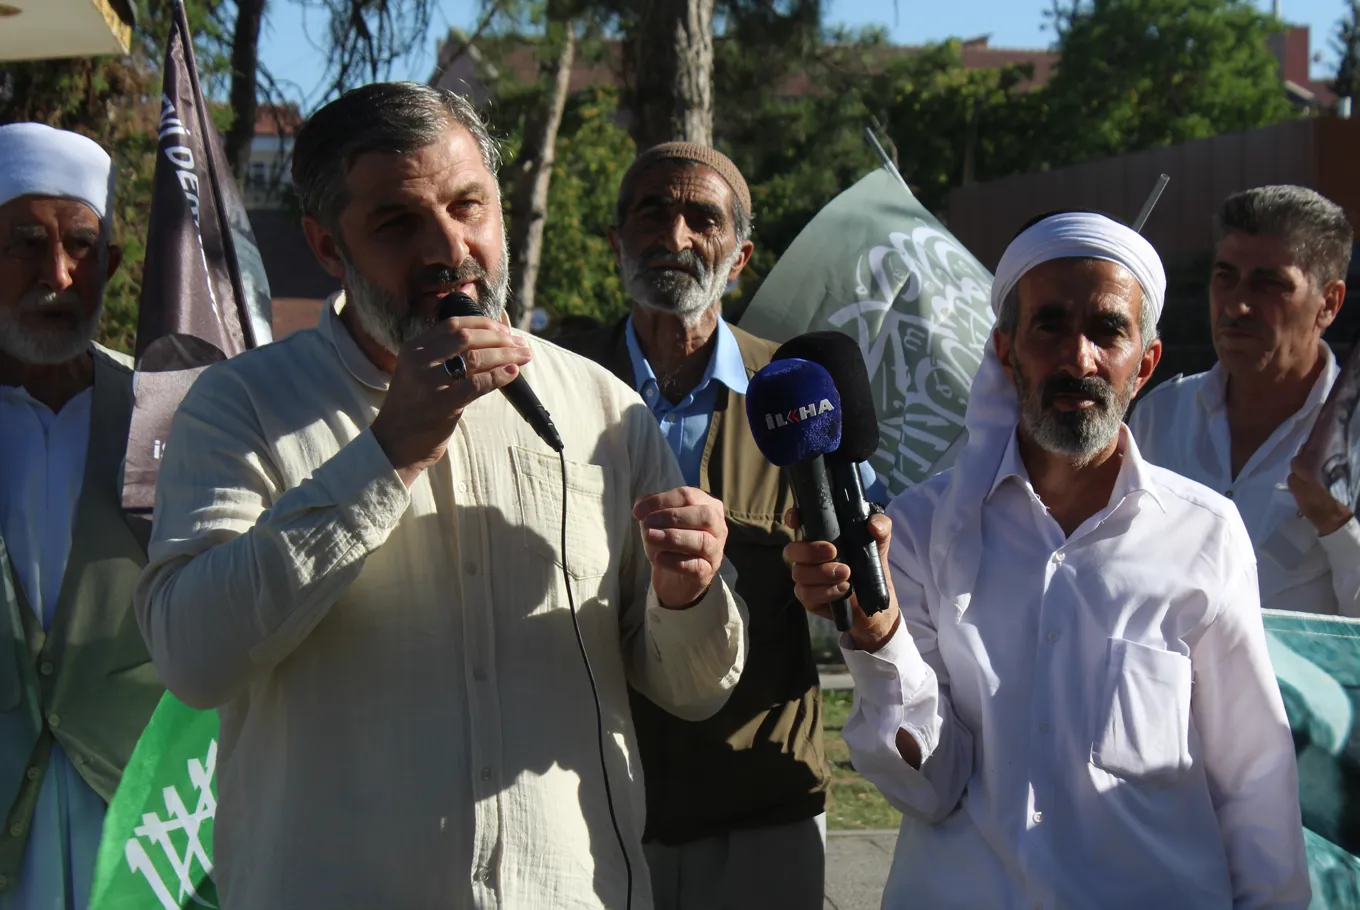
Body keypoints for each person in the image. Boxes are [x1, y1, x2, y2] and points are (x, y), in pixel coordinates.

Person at [133, 83, 748, 910]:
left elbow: (692, 685)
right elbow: (192, 657)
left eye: (469, 206)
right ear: (324, 244)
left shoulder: (601, 407)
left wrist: (690, 595)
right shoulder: (240, 405)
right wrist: (388, 454)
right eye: (397, 223)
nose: (449, 248)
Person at [786, 211, 1310, 908]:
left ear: (1145, 363)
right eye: (1051, 326)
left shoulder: (1203, 535)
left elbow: (1256, 784)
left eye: (1108, 331)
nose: (1079, 358)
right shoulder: (918, 532)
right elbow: (927, 785)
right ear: (1006, 351)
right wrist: (877, 636)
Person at [559, 143, 840, 910]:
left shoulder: (800, 397)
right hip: (583, 806)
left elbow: (857, 587)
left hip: (757, 813)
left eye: (702, 218)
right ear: (617, 241)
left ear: (740, 256)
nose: (675, 236)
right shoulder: (551, 385)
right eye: (653, 211)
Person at [0, 123, 164, 909]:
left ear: (114, 267)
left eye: (81, 247)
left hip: (139, 833)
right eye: (26, 243)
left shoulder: (167, 415)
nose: (57, 274)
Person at [1130, 186, 1357, 616]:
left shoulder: (1352, 444)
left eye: (1269, 284)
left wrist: (1337, 527)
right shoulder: (1160, 417)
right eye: (1225, 277)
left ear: (1328, 303)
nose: (1237, 304)